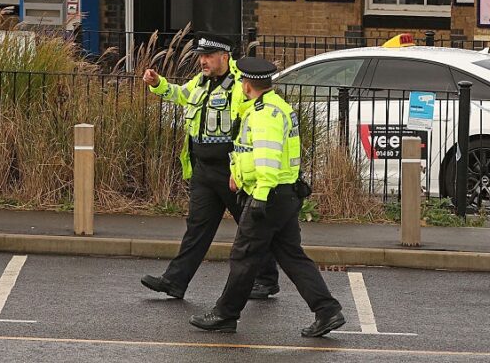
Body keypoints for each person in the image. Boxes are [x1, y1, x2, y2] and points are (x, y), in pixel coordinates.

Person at [189, 57, 345, 337]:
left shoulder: (264, 114)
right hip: (283, 194)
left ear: (247, 85)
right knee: (291, 256)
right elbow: (254, 154)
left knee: (244, 255)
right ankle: (327, 311)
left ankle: (225, 314)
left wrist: (259, 197)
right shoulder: (276, 107)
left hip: (269, 196)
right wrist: (239, 175)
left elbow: (268, 159)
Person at [140, 33, 279, 300]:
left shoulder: (241, 84)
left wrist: (242, 168)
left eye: (208, 57)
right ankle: (175, 281)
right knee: (197, 227)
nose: (202, 61)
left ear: (224, 57)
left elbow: (253, 120)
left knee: (249, 225)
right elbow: (180, 95)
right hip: (202, 168)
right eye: (201, 56)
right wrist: (158, 83)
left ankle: (266, 279)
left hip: (231, 170)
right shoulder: (200, 82)